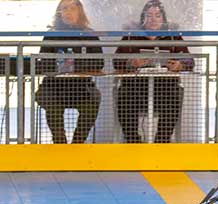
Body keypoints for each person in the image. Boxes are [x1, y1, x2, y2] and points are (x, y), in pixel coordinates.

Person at [113, 0, 194, 143]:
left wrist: (179, 65)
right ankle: (133, 141)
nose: (153, 19)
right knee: (123, 94)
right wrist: (131, 62)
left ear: (163, 18)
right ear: (142, 18)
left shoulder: (173, 37)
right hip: (135, 89)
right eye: (149, 15)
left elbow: (190, 61)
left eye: (157, 15)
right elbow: (116, 60)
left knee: (175, 95)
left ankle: (162, 141)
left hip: (164, 90)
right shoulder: (131, 36)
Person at [35, 0, 103, 144]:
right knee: (50, 103)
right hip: (52, 88)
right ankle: (60, 143)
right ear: (59, 13)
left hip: (81, 89)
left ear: (80, 11)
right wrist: (60, 65)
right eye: (65, 8)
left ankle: (77, 144)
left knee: (94, 99)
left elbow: (99, 62)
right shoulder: (51, 34)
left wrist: (73, 64)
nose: (69, 11)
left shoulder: (89, 34)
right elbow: (43, 63)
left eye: (73, 8)